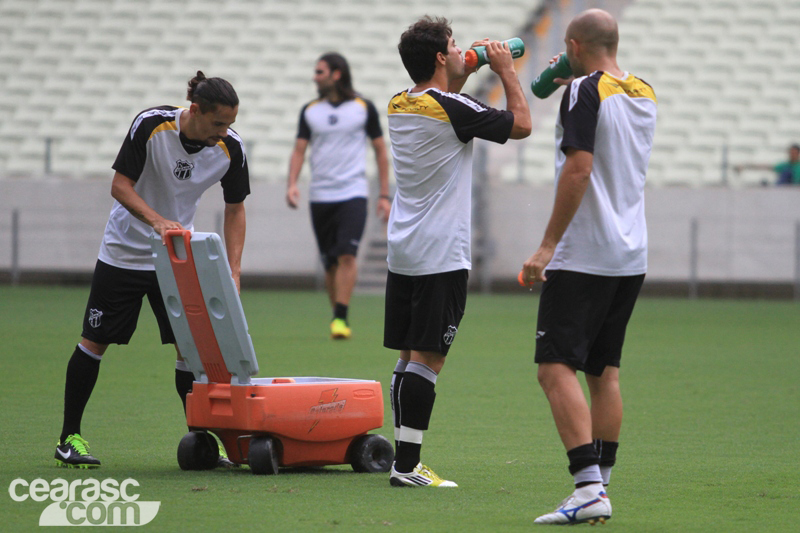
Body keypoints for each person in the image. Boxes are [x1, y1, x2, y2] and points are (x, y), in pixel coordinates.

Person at [54, 72, 249, 469]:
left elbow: (235, 208)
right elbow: (120, 186)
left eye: (230, 123)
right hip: (123, 254)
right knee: (94, 343)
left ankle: (202, 444)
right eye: (218, 123)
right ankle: (67, 439)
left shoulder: (230, 148)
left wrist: (234, 269)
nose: (224, 131)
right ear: (195, 110)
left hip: (178, 259)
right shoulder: (150, 125)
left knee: (190, 353)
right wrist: (158, 221)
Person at [520, 8, 657, 524]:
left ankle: (587, 488)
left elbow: (579, 168)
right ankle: (602, 483)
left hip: (585, 254)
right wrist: (570, 76)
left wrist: (546, 245)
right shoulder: (643, 90)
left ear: (574, 46)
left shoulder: (582, 91)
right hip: (629, 253)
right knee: (604, 372)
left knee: (554, 369)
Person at [385, 16, 531, 488]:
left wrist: (466, 65)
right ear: (440, 58)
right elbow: (522, 125)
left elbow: (450, 102)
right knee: (430, 359)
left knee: (409, 356)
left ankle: (400, 454)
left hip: (404, 248)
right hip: (441, 252)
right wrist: (507, 70)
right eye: (453, 44)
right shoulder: (452, 107)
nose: (460, 47)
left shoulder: (400, 103)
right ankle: (406, 466)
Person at [286, 52, 390, 340]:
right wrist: (292, 184)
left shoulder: (362, 107)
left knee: (346, 253)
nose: (314, 77)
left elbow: (381, 151)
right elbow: (299, 150)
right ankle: (337, 316)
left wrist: (384, 194)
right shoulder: (310, 110)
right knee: (329, 261)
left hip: (353, 193)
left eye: (319, 72)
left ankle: (341, 316)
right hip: (320, 195)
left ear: (336, 74)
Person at [734, 143, 800, 185]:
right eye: (791, 152)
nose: (792, 155)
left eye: (794, 153)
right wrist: (746, 166)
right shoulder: (785, 165)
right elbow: (767, 167)